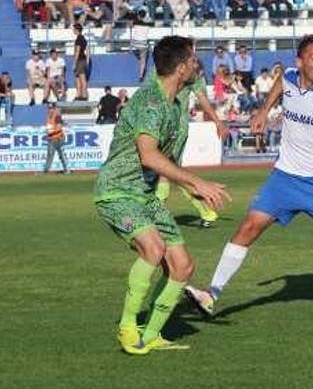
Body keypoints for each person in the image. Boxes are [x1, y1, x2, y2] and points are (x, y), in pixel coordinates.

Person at [184, 35, 313, 317]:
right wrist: (264, 110)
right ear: (299, 62)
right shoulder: (289, 77)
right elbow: (280, 84)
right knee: (248, 227)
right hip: (285, 177)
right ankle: (211, 294)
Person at [94, 36, 230, 355]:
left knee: (183, 267)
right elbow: (149, 156)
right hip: (118, 191)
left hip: (146, 195)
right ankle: (128, 329)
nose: (199, 65)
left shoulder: (175, 100)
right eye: (194, 60)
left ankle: (150, 334)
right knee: (153, 249)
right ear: (182, 69)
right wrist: (197, 184)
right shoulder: (151, 101)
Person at [154, 60, 230, 228]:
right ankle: (206, 212)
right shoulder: (165, 72)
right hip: (166, 127)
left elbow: (202, 99)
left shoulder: (188, 76)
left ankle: (155, 215)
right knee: (174, 173)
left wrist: (218, 122)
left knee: (165, 171)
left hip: (175, 128)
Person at [43, 103, 70, 174]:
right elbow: (51, 127)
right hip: (51, 138)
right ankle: (46, 170)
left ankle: (67, 169)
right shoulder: (49, 116)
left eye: (51, 108)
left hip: (58, 138)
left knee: (61, 155)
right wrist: (48, 133)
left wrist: (51, 132)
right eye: (49, 108)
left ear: (54, 108)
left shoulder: (57, 115)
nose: (50, 110)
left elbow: (59, 127)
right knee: (50, 155)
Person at [72, 24, 89, 100]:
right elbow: (88, 51)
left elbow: (77, 52)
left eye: (74, 29)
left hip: (80, 61)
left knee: (82, 78)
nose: (73, 31)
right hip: (83, 60)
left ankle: (84, 95)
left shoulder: (79, 39)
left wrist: (74, 63)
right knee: (78, 78)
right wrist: (87, 61)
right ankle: (79, 95)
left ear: (77, 30)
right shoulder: (84, 39)